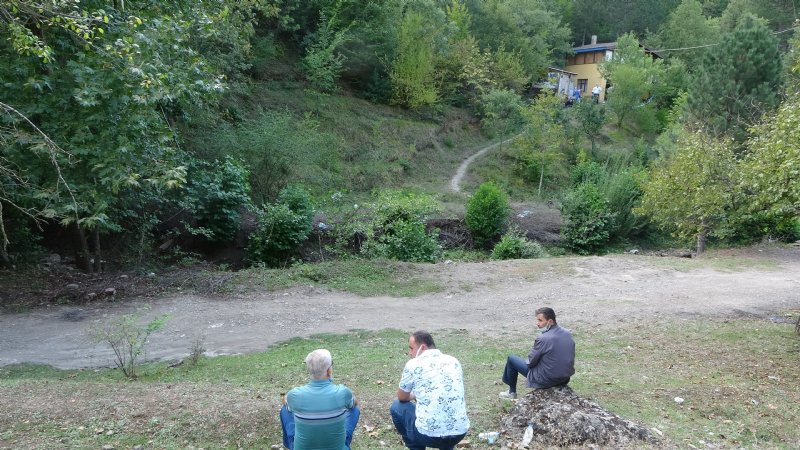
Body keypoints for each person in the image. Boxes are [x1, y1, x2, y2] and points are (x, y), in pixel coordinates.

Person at [390, 331, 470, 450]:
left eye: (411, 348)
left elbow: (401, 396)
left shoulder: (413, 364)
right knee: (447, 414)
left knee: (397, 407)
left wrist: (414, 395)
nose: (410, 352)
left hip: (428, 436)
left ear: (423, 347)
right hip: (459, 432)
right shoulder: (454, 361)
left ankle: (415, 447)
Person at [280, 349, 360, 450]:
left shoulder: (295, 394)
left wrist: (289, 398)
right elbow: (355, 403)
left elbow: (286, 403)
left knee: (285, 410)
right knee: (354, 409)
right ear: (328, 370)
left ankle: (288, 445)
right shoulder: (343, 392)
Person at [499, 307, 575, 400]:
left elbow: (531, 362)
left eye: (540, 320)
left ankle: (511, 392)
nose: (537, 323)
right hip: (565, 378)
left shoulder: (543, 338)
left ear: (550, 321)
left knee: (511, 359)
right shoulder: (567, 333)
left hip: (546, 381)